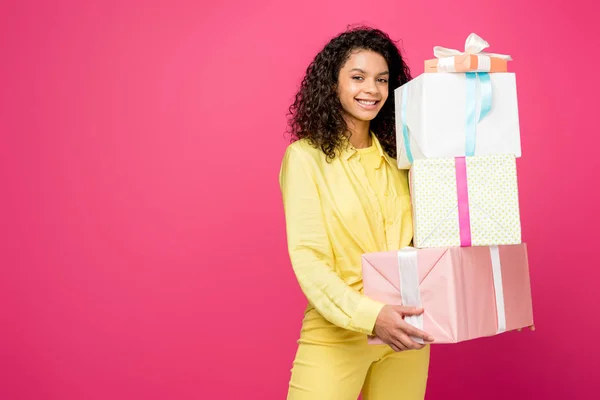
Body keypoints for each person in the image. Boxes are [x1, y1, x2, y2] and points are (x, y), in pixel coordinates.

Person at [279, 26, 435, 400]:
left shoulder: (404, 159)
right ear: (333, 85)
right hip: (340, 330)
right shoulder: (305, 158)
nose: (372, 89)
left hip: (407, 329)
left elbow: (428, 239)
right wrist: (371, 316)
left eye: (382, 79)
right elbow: (310, 258)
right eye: (358, 77)